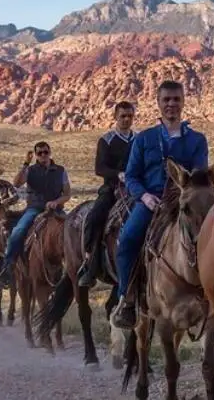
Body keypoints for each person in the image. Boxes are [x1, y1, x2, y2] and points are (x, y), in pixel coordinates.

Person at [111, 81, 208, 329]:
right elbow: (131, 175)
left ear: (184, 101)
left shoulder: (197, 140)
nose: (171, 104)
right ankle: (127, 298)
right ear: (158, 103)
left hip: (185, 201)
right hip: (151, 201)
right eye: (166, 100)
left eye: (176, 99)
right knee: (128, 240)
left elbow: (200, 176)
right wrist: (143, 196)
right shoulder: (144, 139)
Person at [0, 142, 71, 288]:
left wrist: (56, 201)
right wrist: (25, 163)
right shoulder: (30, 170)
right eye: (40, 153)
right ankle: (8, 266)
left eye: (45, 152)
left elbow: (67, 194)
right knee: (18, 231)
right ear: (36, 155)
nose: (43, 155)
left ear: (50, 152)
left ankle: (79, 265)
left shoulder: (61, 171)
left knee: (72, 229)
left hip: (56, 209)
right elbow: (16, 183)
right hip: (35, 208)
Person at [77, 101, 137, 288]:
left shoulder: (139, 139)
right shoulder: (107, 140)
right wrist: (117, 174)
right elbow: (99, 167)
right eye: (123, 116)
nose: (126, 119)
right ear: (115, 117)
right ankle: (90, 262)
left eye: (129, 116)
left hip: (136, 187)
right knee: (96, 216)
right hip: (112, 188)